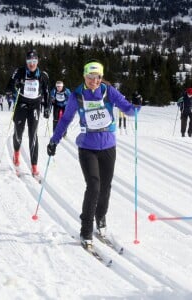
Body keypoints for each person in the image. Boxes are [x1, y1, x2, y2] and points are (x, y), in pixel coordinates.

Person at [46, 59, 142, 248]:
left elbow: (128, 109)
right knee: (94, 186)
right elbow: (65, 119)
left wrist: (137, 104)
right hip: (87, 146)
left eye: (97, 77)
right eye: (90, 77)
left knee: (105, 187)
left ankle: (101, 217)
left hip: (108, 146)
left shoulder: (108, 91)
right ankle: (86, 229)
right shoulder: (77, 95)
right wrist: (54, 140)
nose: (94, 81)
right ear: (84, 76)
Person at [7, 49, 50, 176]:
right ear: (26, 62)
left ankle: (34, 165)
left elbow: (47, 92)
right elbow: (10, 84)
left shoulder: (43, 75)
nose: (32, 64)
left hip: (35, 105)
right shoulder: (19, 72)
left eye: (34, 61)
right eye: (29, 61)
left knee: (33, 135)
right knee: (18, 132)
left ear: (37, 61)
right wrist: (12, 89)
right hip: (21, 104)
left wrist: (47, 107)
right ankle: (16, 153)